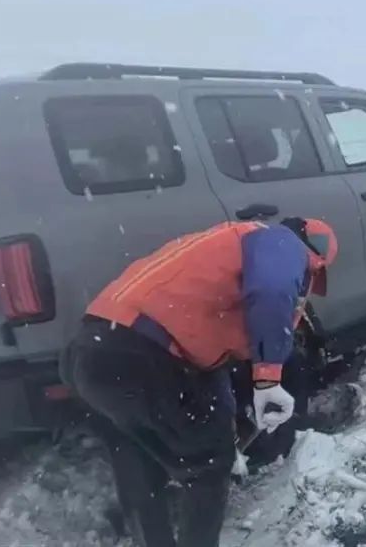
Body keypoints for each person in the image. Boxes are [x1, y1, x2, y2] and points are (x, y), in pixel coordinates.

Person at [59, 217, 338, 547]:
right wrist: (267, 379)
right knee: (208, 466)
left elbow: (214, 351)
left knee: (137, 461)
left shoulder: (222, 245)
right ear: (312, 252)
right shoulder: (281, 242)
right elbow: (273, 291)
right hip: (141, 356)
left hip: (89, 355)